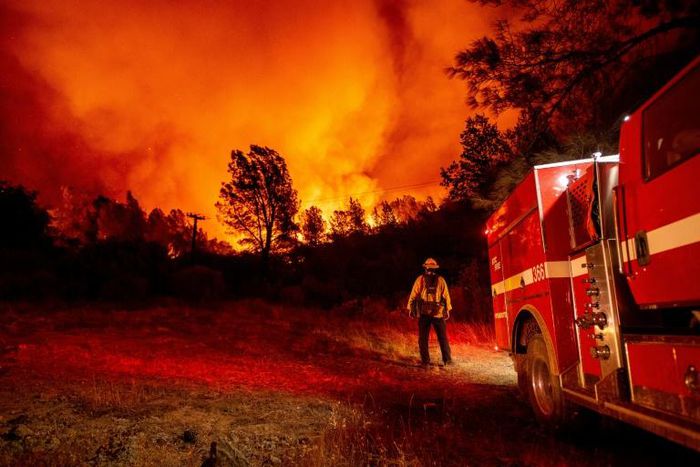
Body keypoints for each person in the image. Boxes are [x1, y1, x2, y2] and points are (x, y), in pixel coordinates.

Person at [406, 258, 453, 367]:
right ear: (435, 268)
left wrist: (410, 309)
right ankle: (447, 360)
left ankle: (425, 361)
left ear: (425, 267)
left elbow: (413, 294)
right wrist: (448, 310)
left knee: (423, 338)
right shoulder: (441, 280)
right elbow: (446, 296)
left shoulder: (420, 279)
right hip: (438, 313)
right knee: (442, 337)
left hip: (424, 313)